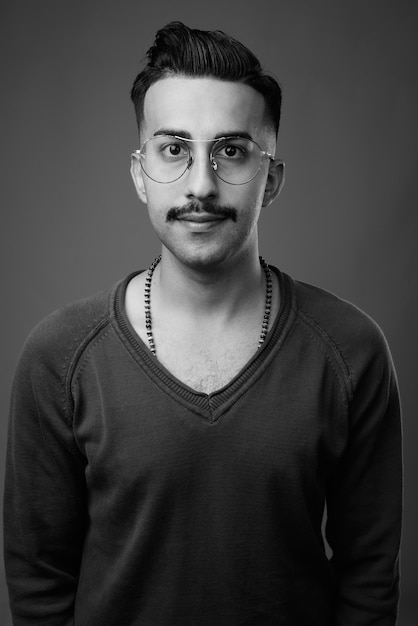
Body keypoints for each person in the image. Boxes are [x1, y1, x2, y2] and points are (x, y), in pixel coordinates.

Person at [4, 21, 402, 626]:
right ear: (140, 173)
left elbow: (370, 576)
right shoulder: (60, 355)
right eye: (173, 148)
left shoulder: (351, 351)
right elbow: (38, 580)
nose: (200, 185)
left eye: (231, 150)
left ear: (271, 179)